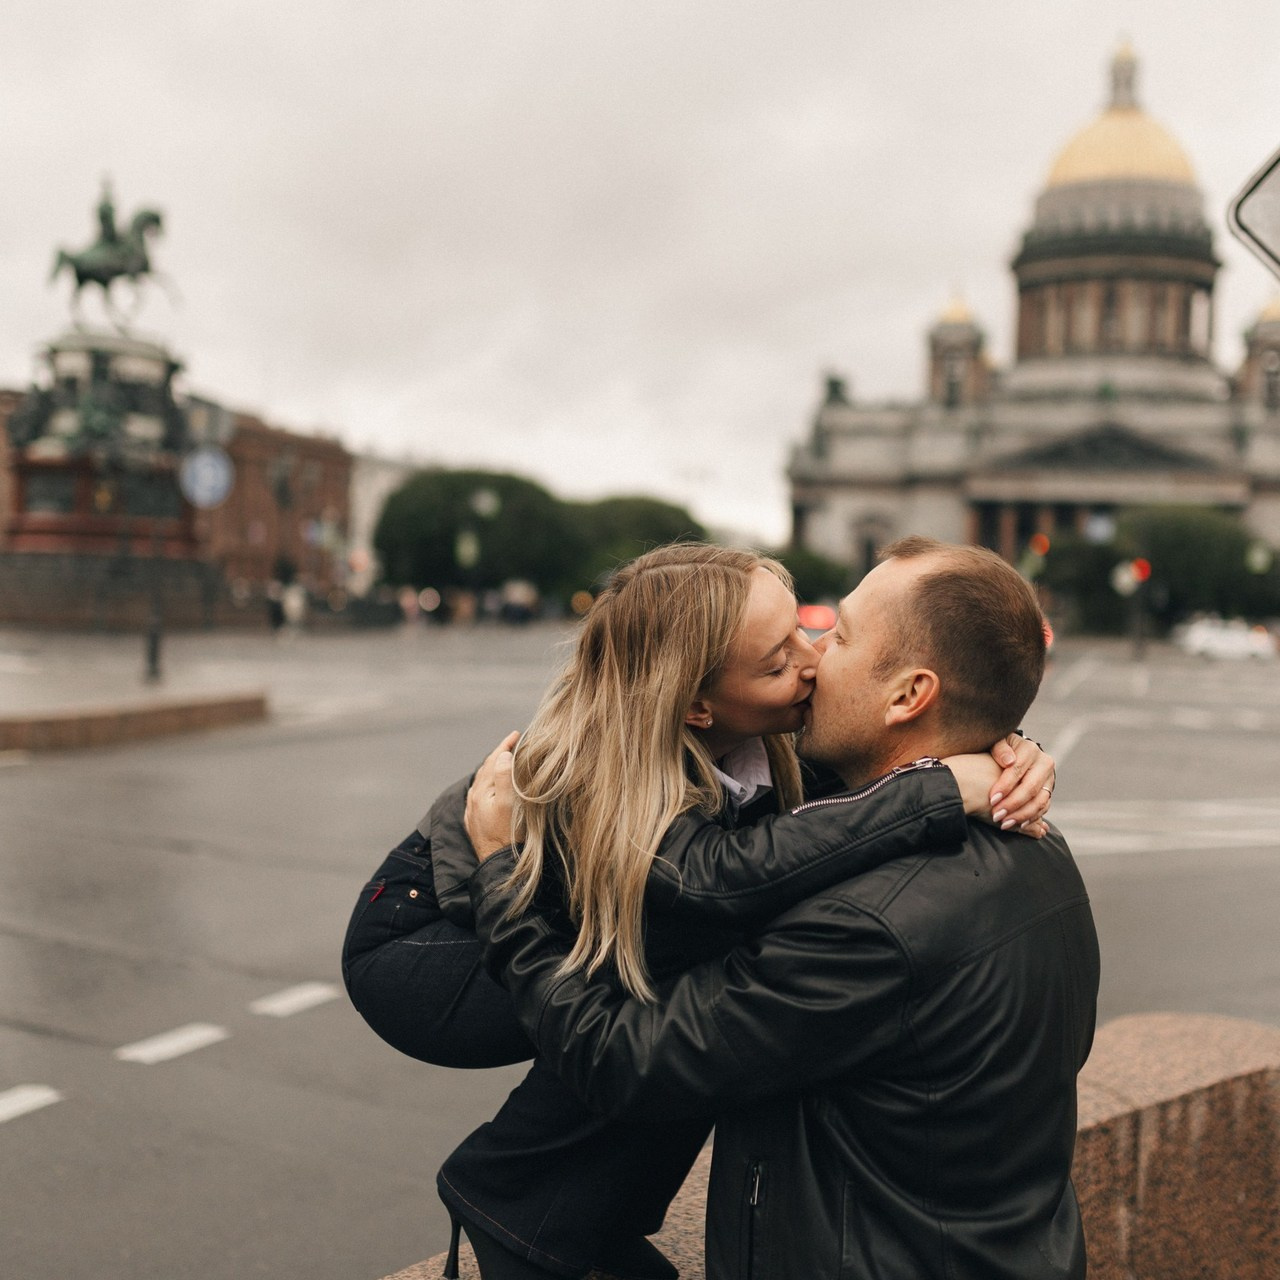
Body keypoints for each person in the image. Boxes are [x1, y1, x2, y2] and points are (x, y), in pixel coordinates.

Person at [342, 542, 1056, 1280]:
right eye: (778, 662)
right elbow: (722, 880)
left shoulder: (756, 743)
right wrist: (938, 788)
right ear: (694, 704)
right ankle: (516, 1202)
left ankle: (583, 1217)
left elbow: (862, 784)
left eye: (810, 635)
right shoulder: (620, 774)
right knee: (680, 990)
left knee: (700, 1018)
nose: (812, 662)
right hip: (423, 945)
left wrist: (1002, 743)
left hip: (519, 918)